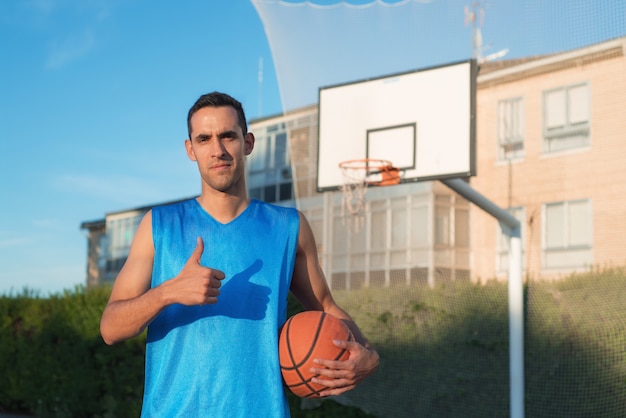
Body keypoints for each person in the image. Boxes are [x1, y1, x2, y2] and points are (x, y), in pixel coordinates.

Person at [100, 91, 379, 417]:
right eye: (204, 139)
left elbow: (326, 307)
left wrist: (370, 356)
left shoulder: (288, 227)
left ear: (247, 142)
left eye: (227, 136)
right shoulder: (158, 225)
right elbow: (110, 328)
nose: (217, 150)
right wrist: (168, 292)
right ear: (191, 149)